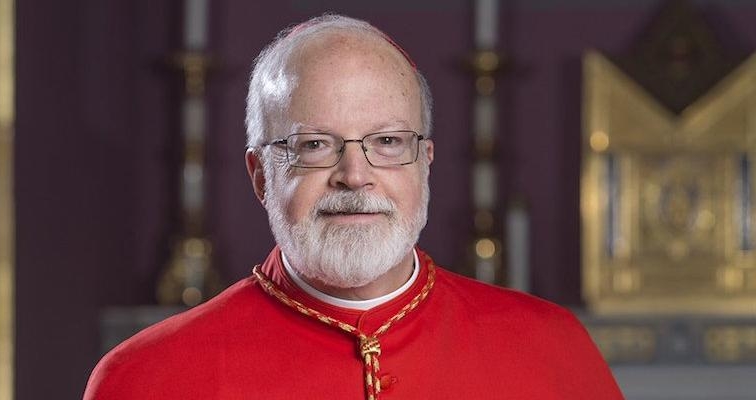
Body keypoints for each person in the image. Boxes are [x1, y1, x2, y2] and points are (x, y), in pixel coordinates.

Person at [83, 14, 623, 400]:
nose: (355, 175)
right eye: (314, 145)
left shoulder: (550, 348)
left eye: (387, 141)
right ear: (259, 176)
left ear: (425, 162)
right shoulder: (147, 379)